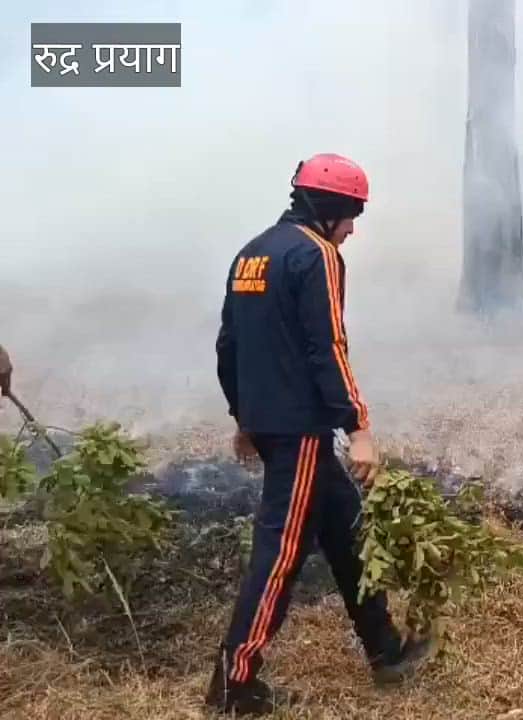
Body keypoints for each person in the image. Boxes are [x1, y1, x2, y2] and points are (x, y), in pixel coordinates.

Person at [207, 154, 427, 715]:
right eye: (351, 215)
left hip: (273, 424)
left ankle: (386, 652)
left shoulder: (251, 253)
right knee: (280, 554)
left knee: (348, 532)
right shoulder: (317, 254)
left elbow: (229, 345)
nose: (352, 228)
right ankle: (233, 685)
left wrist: (243, 418)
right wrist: (358, 427)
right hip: (301, 431)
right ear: (328, 208)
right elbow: (328, 347)